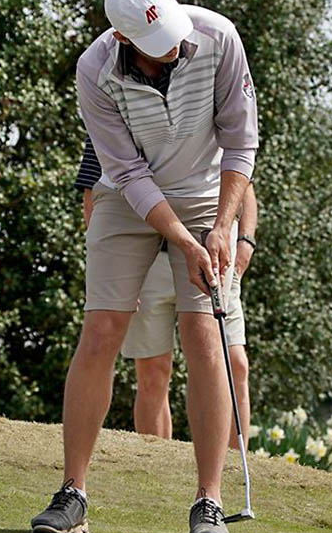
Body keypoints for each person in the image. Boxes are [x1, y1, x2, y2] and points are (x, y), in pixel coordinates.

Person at [30, 0, 258, 533]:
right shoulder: (94, 70)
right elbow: (127, 173)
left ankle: (209, 501)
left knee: (202, 332)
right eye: (161, 51)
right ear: (123, 40)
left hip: (207, 191)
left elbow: (240, 139)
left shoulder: (218, 37)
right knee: (102, 328)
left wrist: (224, 227)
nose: (176, 54)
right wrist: (182, 240)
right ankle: (72, 494)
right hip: (126, 196)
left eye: (177, 42)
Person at [77, 138, 257, 448]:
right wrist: (117, 271)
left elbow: (243, 184)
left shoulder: (204, 106)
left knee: (234, 363)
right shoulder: (113, 110)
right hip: (145, 260)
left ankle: (233, 469)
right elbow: (94, 194)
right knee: (153, 374)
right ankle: (156, 464)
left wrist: (246, 241)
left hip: (212, 257)